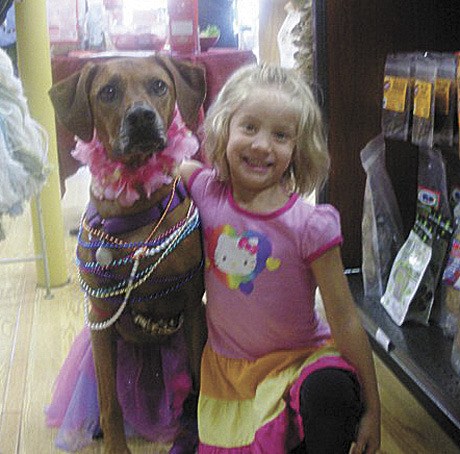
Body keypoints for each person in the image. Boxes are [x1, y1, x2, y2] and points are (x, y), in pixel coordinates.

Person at [180, 63, 381, 453]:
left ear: (298, 149)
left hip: (301, 361)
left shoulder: (310, 225)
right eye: (249, 127)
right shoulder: (206, 191)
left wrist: (374, 408)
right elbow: (172, 166)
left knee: (330, 392)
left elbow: (343, 317)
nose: (261, 145)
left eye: (280, 135)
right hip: (231, 375)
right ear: (224, 131)